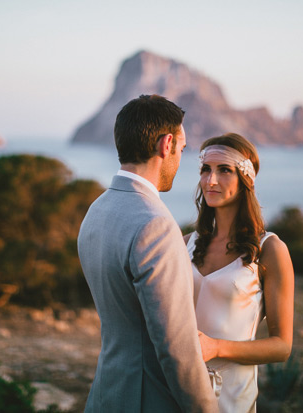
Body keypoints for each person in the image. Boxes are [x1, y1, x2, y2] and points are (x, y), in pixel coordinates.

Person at [77, 95, 218, 412]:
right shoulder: (155, 225)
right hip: (147, 400)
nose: (180, 159)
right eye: (182, 149)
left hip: (106, 392)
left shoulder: (96, 211)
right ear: (166, 144)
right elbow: (176, 347)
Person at [184, 132, 295, 412]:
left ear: (246, 179)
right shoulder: (185, 242)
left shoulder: (270, 249)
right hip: (178, 388)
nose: (211, 180)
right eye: (205, 169)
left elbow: (281, 346)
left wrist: (217, 348)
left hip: (231, 397)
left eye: (224, 170)